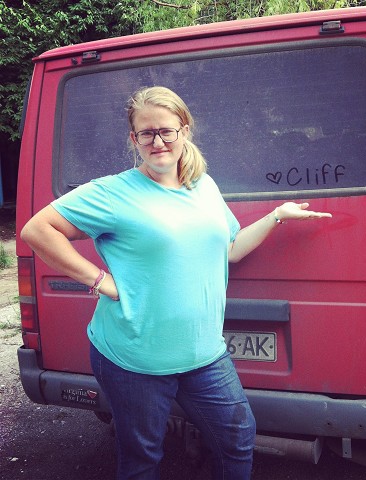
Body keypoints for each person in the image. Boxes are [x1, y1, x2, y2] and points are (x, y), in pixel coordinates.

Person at [21, 86, 332, 480]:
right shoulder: (114, 193)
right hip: (134, 358)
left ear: (184, 130)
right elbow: (37, 230)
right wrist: (99, 280)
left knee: (237, 438)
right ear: (134, 138)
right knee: (142, 459)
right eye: (146, 133)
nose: (158, 141)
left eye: (166, 130)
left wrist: (276, 216)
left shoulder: (204, 187)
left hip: (203, 354)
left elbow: (231, 249)